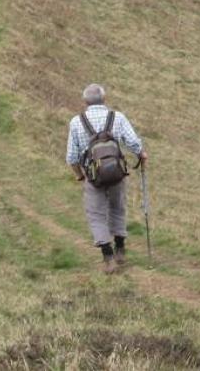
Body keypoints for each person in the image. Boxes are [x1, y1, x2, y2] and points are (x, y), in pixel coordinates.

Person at [66, 84, 147, 274]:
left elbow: (71, 157)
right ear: (104, 98)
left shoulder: (77, 122)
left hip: (93, 176)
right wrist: (141, 154)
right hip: (117, 174)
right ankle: (120, 248)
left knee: (96, 214)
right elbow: (134, 142)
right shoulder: (117, 117)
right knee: (117, 208)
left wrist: (79, 175)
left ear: (85, 101)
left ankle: (108, 256)